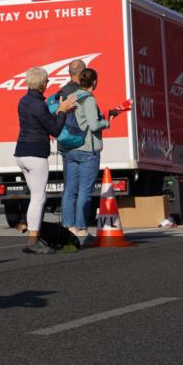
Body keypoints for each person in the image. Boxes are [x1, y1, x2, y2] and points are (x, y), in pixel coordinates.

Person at [14, 66, 79, 254]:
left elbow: (40, 122)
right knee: (38, 198)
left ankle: (36, 237)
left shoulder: (23, 101)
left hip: (21, 153)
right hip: (36, 154)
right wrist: (62, 110)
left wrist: (59, 111)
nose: (48, 83)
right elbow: (55, 130)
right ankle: (34, 241)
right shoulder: (39, 104)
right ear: (43, 84)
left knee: (35, 197)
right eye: (47, 81)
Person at [61, 68, 121, 239]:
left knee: (70, 189)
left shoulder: (73, 97)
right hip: (87, 150)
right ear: (94, 82)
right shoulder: (88, 99)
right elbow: (94, 126)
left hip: (70, 149)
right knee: (84, 191)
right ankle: (81, 228)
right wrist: (107, 122)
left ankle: (68, 226)